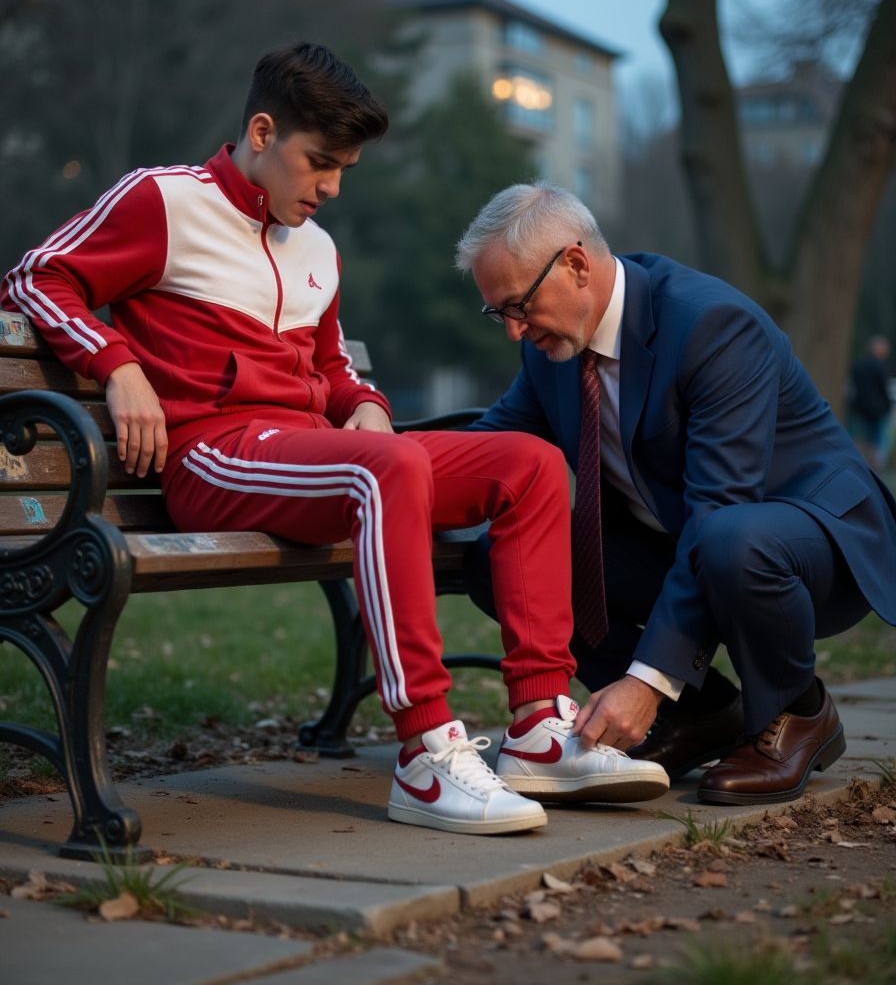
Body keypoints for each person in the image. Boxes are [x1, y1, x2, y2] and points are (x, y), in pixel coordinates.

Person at [1, 44, 669, 836]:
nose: (331, 188)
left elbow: (330, 365)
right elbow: (35, 276)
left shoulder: (316, 248)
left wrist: (368, 402)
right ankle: (425, 756)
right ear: (260, 132)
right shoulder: (163, 202)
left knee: (529, 464)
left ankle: (536, 728)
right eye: (320, 163)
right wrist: (118, 365)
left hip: (318, 459)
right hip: (215, 458)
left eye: (344, 168)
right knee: (382, 471)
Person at [454, 181, 896, 806]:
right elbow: (488, 447)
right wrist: (375, 465)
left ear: (576, 264)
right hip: (689, 537)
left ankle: (801, 712)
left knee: (728, 539)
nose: (514, 332)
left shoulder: (710, 323)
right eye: (500, 313)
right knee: (498, 557)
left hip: (813, 538)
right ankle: (702, 714)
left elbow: (721, 505)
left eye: (519, 305)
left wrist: (646, 680)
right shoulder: (550, 352)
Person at [850, 335, 892, 472]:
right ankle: (873, 470)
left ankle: (855, 465)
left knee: (856, 438)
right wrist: (887, 406)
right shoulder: (881, 367)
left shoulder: (859, 365)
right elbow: (884, 389)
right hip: (877, 410)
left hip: (859, 407)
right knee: (874, 442)